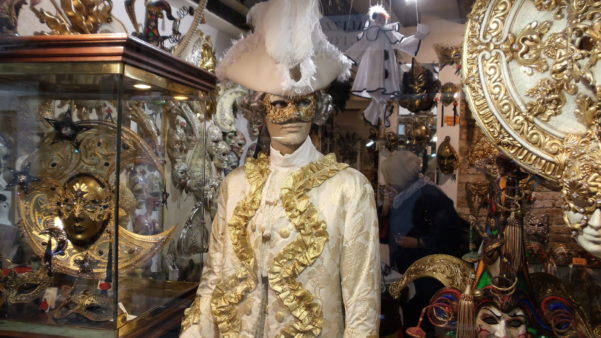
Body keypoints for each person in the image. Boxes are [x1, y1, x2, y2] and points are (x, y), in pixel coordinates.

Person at [180, 0, 380, 336]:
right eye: (280, 103)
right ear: (260, 111)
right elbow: (215, 273)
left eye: (304, 102)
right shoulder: (237, 184)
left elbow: (362, 297)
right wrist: (196, 330)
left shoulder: (349, 187)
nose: (293, 114)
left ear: (318, 107)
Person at [380, 150, 465, 334]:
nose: (388, 183)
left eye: (390, 177)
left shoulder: (429, 195)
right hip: (408, 271)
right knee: (410, 318)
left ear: (399, 176)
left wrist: (418, 242)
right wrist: (386, 208)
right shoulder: (402, 195)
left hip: (426, 274)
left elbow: (450, 234)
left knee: (420, 320)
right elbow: (389, 230)